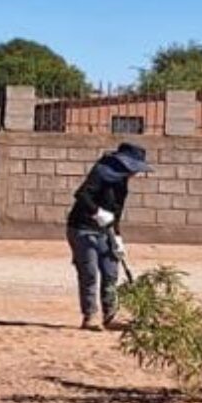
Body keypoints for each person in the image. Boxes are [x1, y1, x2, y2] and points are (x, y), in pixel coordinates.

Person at [65, 141, 153, 331]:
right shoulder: (101, 172)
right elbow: (82, 195)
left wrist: (118, 239)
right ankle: (90, 316)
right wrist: (96, 212)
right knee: (89, 273)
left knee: (111, 272)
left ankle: (110, 316)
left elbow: (116, 212)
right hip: (82, 228)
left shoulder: (122, 182)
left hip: (106, 231)